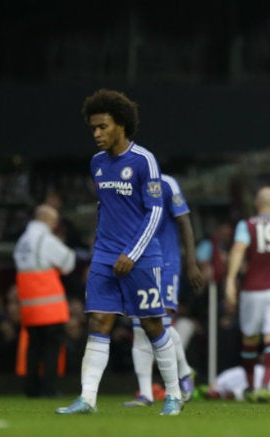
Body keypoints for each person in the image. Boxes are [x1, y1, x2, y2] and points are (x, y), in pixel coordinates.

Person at [55, 89, 182, 415]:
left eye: (103, 127)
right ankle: (87, 399)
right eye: (93, 128)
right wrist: (102, 248)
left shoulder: (143, 160)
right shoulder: (97, 163)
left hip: (139, 257)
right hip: (105, 256)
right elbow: (106, 208)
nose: (96, 134)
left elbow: (155, 212)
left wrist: (133, 252)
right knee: (98, 322)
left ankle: (173, 395)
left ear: (121, 125)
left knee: (153, 325)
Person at [122, 173, 206, 407]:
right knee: (140, 327)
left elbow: (184, 222)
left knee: (161, 324)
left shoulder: (167, 184)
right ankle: (146, 393)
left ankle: (182, 374)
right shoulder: (125, 187)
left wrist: (191, 263)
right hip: (140, 264)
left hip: (167, 263)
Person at [225, 186, 270, 402]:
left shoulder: (247, 225)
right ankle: (265, 385)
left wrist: (230, 280)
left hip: (252, 290)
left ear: (255, 203)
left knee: (250, 339)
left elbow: (238, 250)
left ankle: (251, 386)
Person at [13, 204, 76, 397]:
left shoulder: (22, 240)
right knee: (51, 348)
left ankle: (31, 388)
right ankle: (48, 388)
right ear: (47, 220)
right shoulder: (44, 239)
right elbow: (68, 261)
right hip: (49, 305)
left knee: (33, 347)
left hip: (29, 305)